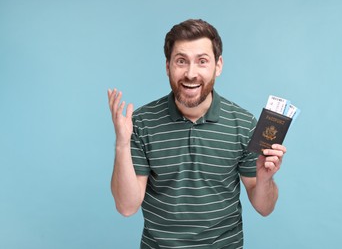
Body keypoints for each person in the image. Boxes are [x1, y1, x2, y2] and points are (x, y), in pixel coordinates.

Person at [107, 19, 287, 249]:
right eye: (181, 61)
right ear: (167, 66)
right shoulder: (142, 122)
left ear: (218, 65)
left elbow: (265, 208)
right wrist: (122, 144)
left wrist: (265, 179)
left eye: (202, 61)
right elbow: (126, 207)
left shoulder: (243, 124)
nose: (191, 73)